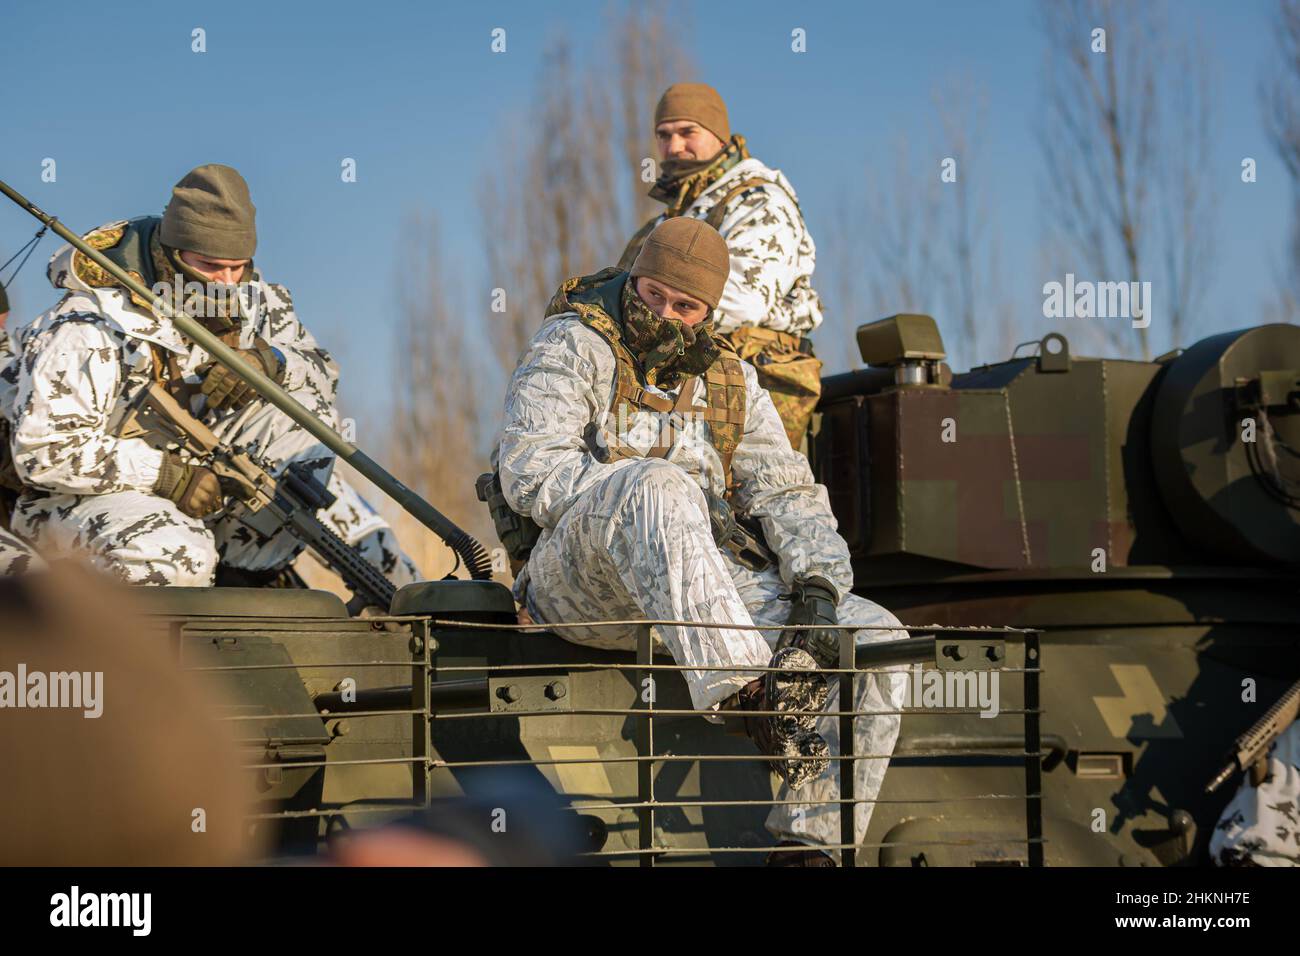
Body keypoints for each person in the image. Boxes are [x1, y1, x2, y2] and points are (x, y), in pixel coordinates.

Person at [496, 217, 906, 865]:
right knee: (656, 485)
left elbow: (786, 492)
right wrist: (649, 502)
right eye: (653, 294)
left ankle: (810, 845)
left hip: (700, 588)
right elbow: (531, 471)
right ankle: (756, 700)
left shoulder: (729, 378)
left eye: (685, 306)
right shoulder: (572, 343)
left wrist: (819, 593)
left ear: (708, 309)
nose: (665, 313)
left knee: (879, 638)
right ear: (635, 279)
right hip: (581, 582)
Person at [0, 164, 417, 596]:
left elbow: (322, 372)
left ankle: (248, 580)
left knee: (310, 432)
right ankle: (133, 649)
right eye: (211, 266)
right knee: (176, 555)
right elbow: (44, 451)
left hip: (210, 482)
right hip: (75, 501)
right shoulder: (87, 323)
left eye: (238, 267)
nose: (227, 282)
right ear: (173, 253)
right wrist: (167, 477)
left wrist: (270, 363)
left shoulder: (256, 300)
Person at [618, 83, 826, 449]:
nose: (675, 147)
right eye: (664, 136)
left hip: (754, 379)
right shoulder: (678, 214)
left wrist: (641, 324)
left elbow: (744, 300)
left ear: (719, 136)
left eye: (688, 132)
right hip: (682, 375)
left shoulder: (759, 200)